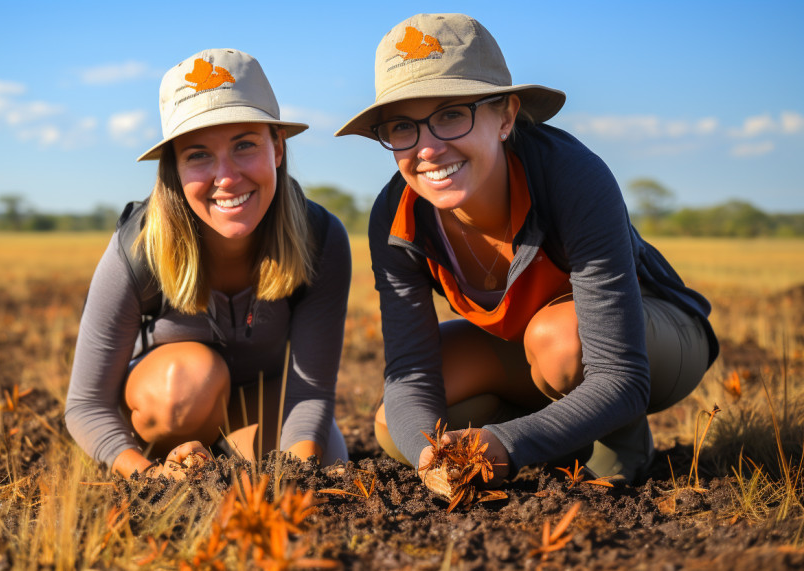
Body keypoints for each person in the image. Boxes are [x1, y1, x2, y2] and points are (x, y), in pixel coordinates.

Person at [336, 14, 718, 485]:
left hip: (646, 340)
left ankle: (619, 446)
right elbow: (411, 374)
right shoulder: (397, 217)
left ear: (506, 116)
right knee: (400, 428)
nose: (428, 149)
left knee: (560, 342)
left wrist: (508, 444)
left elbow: (620, 374)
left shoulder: (570, 178)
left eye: (452, 114)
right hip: (531, 351)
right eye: (401, 126)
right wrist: (428, 457)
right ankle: (563, 436)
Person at [66, 48, 351, 479]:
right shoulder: (138, 248)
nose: (227, 177)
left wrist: (300, 474)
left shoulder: (320, 237)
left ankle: (220, 463)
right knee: (185, 384)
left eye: (244, 145)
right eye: (198, 154)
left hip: (260, 400)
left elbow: (310, 392)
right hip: (168, 412)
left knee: (327, 455)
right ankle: (175, 466)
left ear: (277, 146)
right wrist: (147, 477)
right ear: (174, 168)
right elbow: (86, 405)